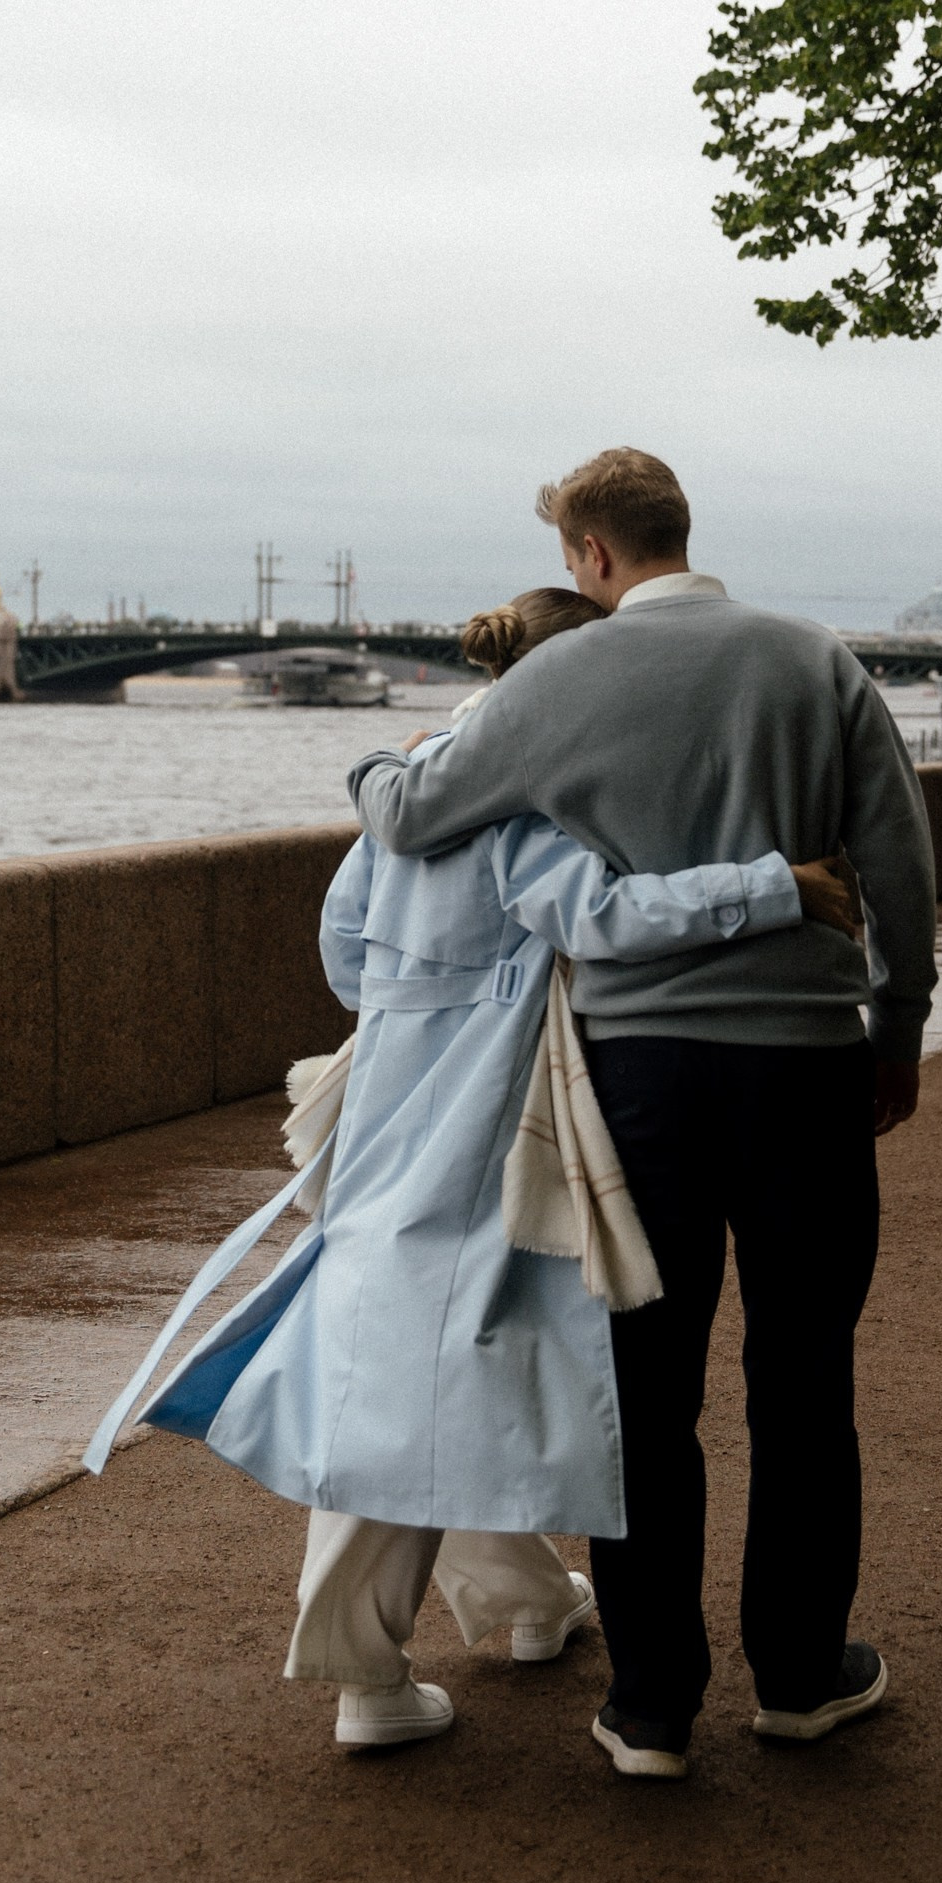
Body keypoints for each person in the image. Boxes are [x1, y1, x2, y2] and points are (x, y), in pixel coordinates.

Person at [85, 585, 862, 1758]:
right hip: (492, 1109)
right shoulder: (528, 801)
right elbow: (600, 917)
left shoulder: (421, 782)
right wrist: (777, 884)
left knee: (443, 1357)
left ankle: (528, 1603)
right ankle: (365, 1671)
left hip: (392, 1091)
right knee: (432, 1368)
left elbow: (343, 951)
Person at [345, 450, 937, 1778]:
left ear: (589, 557)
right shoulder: (815, 662)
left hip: (640, 1078)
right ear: (679, 531)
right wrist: (894, 1033)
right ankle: (798, 1677)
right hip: (803, 1063)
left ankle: (655, 1702)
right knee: (804, 1377)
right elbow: (899, 859)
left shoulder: (562, 674)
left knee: (645, 1389)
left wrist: (374, 766)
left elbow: (421, 811)